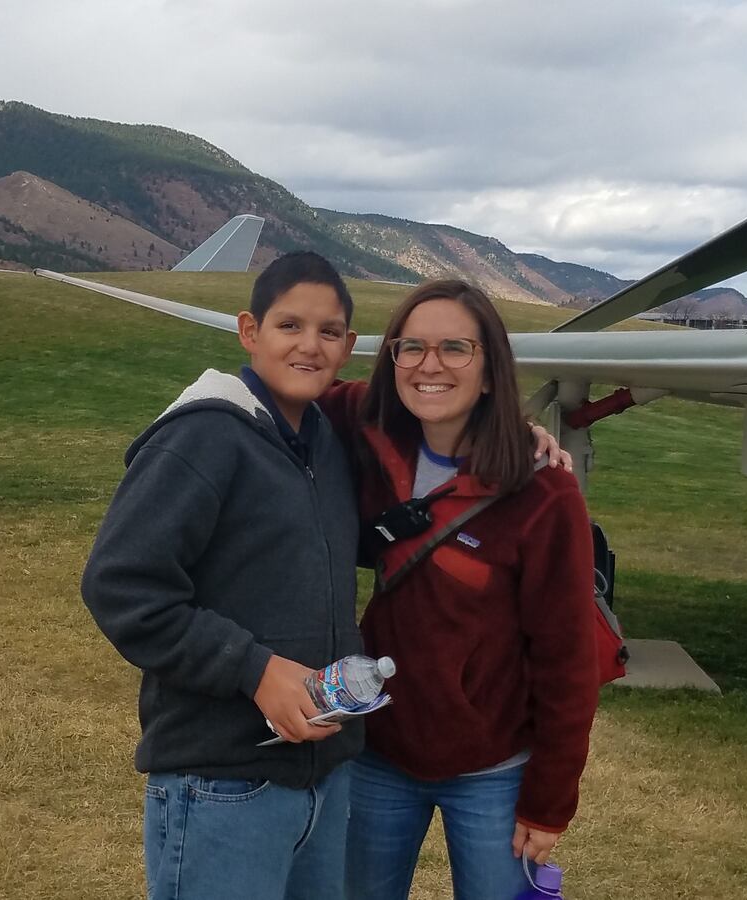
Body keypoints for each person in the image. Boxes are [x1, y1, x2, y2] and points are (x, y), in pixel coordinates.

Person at [80, 251, 365, 900]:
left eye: (328, 332)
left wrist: (516, 438)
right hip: (223, 786)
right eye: (289, 326)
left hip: (323, 778)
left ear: (348, 346)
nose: (309, 345)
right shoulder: (206, 435)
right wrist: (254, 670)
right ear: (249, 331)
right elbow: (121, 583)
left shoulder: (322, 442)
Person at [319, 280, 601, 900]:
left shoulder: (543, 494)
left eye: (454, 348)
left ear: (491, 370)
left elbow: (567, 659)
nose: (430, 365)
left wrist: (550, 800)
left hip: (495, 768)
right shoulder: (367, 429)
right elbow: (291, 380)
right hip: (379, 752)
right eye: (411, 347)